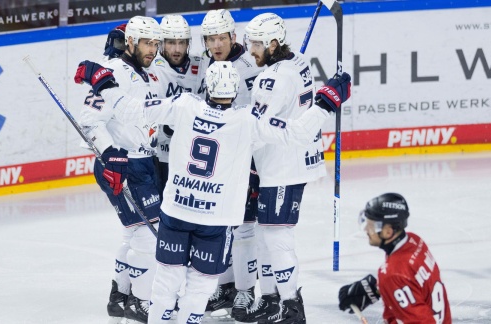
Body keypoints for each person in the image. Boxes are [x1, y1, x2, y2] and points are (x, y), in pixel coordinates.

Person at [73, 59, 351, 324]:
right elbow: (299, 132)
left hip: (177, 212)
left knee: (166, 284)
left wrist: (104, 81)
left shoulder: (183, 106)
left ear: (206, 86)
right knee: (199, 288)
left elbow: (129, 110)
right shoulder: (248, 120)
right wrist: (326, 102)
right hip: (216, 221)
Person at [233, 13, 332, 324]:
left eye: (257, 45)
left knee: (277, 239)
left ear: (274, 43)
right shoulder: (299, 61)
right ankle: (276, 300)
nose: (251, 51)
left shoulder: (271, 79)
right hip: (290, 161)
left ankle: (291, 307)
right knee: (268, 235)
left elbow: (256, 127)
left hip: (282, 168)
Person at [78, 15, 163, 324]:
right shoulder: (114, 72)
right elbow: (88, 120)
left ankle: (119, 298)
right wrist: (110, 153)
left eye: (155, 43)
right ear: (131, 42)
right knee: (148, 237)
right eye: (146, 43)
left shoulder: (151, 74)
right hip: (121, 164)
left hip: (143, 162)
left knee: (135, 234)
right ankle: (141, 303)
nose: (152, 49)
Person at [196, 9, 265, 317]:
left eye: (221, 37)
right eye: (211, 38)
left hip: (247, 160)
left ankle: (246, 291)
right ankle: (225, 287)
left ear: (233, 37)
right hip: (218, 161)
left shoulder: (251, 66)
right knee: (218, 226)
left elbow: (263, 115)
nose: (216, 44)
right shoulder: (205, 65)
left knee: (245, 229)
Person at [338, 193, 452, 323]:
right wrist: (377, 288)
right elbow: (412, 281)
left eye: (371, 226)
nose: (367, 231)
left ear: (388, 231)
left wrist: (388, 283)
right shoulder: (414, 241)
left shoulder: (393, 273)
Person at [151, 14, 200, 201]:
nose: (177, 49)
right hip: (161, 159)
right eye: (171, 43)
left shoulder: (201, 65)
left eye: (182, 43)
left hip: (192, 160)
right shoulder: (150, 69)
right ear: (162, 43)